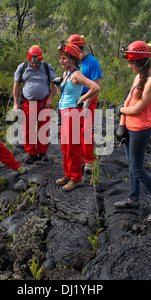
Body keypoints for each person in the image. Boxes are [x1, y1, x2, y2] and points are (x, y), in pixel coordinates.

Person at [113, 41, 151, 223]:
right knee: (131, 165)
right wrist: (122, 124)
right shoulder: (138, 77)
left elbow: (137, 108)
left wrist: (120, 111)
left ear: (142, 62)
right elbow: (128, 100)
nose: (129, 66)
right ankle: (133, 198)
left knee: (137, 168)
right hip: (129, 126)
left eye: (131, 63)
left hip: (140, 130)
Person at [55, 42, 100, 191]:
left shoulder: (77, 75)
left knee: (73, 147)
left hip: (73, 113)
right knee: (65, 146)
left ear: (73, 59)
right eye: (60, 58)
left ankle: (77, 178)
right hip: (65, 112)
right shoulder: (66, 74)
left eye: (64, 58)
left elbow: (95, 87)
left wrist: (82, 100)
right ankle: (68, 173)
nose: (61, 61)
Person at [13, 45, 57, 164]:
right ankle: (31, 153)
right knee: (28, 128)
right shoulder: (22, 67)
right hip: (28, 102)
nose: (35, 65)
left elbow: (55, 84)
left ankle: (42, 152)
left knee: (44, 127)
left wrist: (50, 99)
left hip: (44, 102)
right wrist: (16, 103)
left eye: (37, 63)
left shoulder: (47, 67)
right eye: (33, 63)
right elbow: (17, 85)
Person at [66, 34, 102, 172]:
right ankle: (78, 157)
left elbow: (96, 86)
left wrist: (86, 103)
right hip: (74, 98)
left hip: (88, 98)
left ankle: (89, 160)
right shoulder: (74, 62)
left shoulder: (92, 62)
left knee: (86, 130)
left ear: (79, 49)